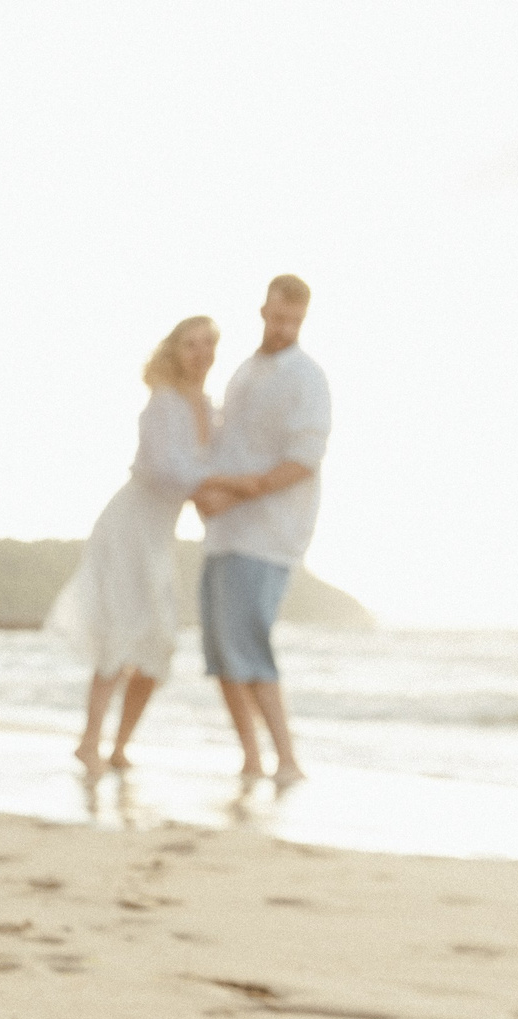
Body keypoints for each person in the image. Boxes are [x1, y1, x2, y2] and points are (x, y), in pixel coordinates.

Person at [45, 316, 220, 772]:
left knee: (158, 643)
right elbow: (161, 471)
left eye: (208, 344)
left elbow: (205, 477)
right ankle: (90, 743)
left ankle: (120, 745)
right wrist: (225, 486)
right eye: (190, 344)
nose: (200, 353)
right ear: (174, 352)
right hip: (128, 528)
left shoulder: (211, 409)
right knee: (119, 632)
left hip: (160, 535)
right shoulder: (162, 405)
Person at [194, 275, 331, 788]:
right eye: (277, 317)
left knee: (250, 646)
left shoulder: (307, 378)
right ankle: (251, 759)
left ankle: (287, 760)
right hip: (224, 533)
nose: (283, 327)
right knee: (221, 655)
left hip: (269, 537)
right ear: (263, 310)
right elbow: (225, 442)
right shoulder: (244, 372)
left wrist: (232, 492)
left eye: (292, 321)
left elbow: (303, 461)